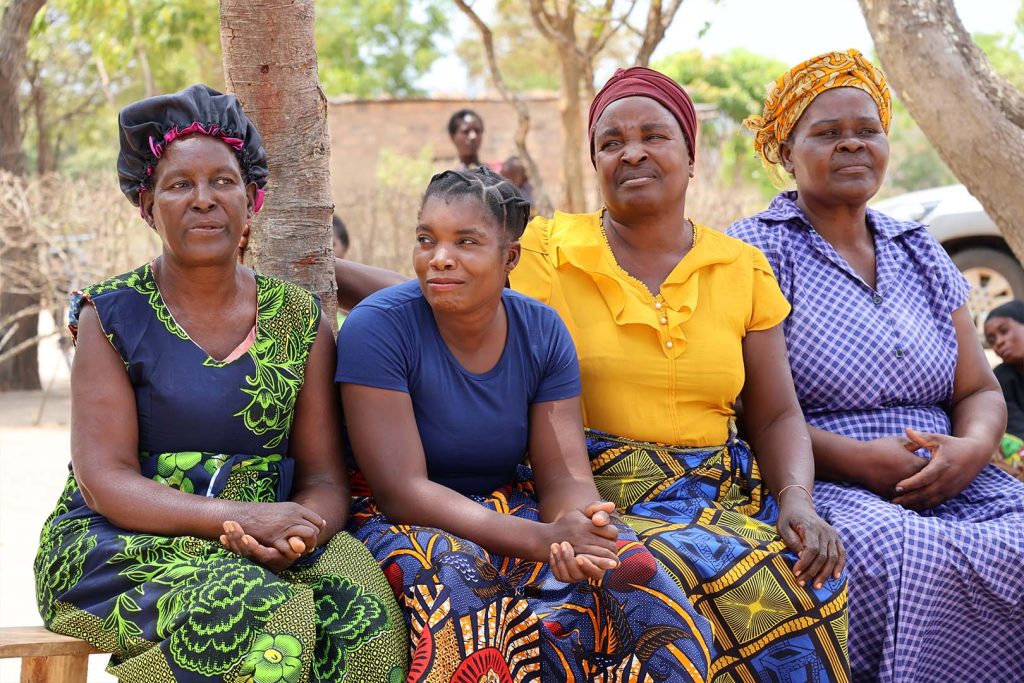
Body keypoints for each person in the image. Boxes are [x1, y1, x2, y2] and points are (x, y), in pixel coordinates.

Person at [335, 69, 851, 683]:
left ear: (691, 155)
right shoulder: (551, 251)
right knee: (612, 581)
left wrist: (797, 499)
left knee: (803, 578)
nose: (632, 153)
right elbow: (450, 297)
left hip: (707, 491)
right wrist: (321, 272)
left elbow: (775, 413)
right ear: (595, 161)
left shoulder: (742, 267)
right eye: (611, 142)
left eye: (653, 136)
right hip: (605, 480)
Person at [33, 84, 407, 682]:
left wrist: (297, 534)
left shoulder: (299, 319)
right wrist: (238, 519)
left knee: (363, 618)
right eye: (179, 184)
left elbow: (323, 478)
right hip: (123, 540)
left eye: (223, 181)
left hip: (274, 534)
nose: (203, 199)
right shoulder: (112, 314)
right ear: (147, 205)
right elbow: (105, 480)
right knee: (261, 613)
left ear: (251, 199)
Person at [338, 166, 714, 683]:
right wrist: (538, 540)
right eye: (427, 239)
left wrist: (580, 531)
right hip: (400, 521)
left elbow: (563, 476)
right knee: (463, 595)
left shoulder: (541, 330)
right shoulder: (379, 328)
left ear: (509, 257)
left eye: (466, 242)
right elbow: (401, 491)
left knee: (637, 580)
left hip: (510, 506)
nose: (439, 257)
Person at [729, 50, 1024, 683]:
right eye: (827, 133)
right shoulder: (755, 250)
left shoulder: (918, 248)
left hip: (954, 473)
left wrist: (972, 450)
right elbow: (750, 409)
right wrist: (861, 461)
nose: (852, 144)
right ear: (786, 152)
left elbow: (978, 388)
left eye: (867, 129)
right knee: (895, 555)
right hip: (823, 477)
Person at [984, 300, 1024, 473]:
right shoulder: (1000, 380)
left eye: (1004, 331)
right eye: (992, 340)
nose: (998, 343)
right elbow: (1018, 431)